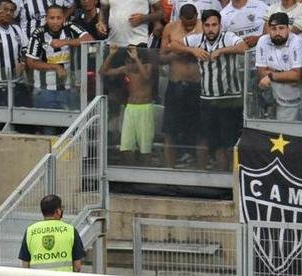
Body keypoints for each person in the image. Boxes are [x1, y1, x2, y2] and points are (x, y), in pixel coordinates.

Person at [183, 8, 247, 171]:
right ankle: (221, 179)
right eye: (207, 25)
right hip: (208, 100)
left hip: (230, 99)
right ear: (202, 26)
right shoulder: (197, 40)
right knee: (216, 144)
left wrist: (221, 50)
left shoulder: (228, 37)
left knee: (231, 144)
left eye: (214, 25)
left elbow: (243, 47)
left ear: (220, 25)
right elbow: (172, 45)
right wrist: (192, 50)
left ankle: (234, 183)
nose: (211, 29)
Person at [26, 4, 92, 109]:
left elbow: (89, 39)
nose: (55, 21)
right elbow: (31, 62)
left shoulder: (70, 27)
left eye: (59, 18)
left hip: (69, 88)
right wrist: (55, 67)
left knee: (72, 123)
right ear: (46, 18)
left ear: (63, 18)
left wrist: (65, 41)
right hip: (44, 90)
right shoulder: (38, 33)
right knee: (48, 124)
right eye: (52, 18)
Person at [160, 3, 202, 167]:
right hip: (176, 83)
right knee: (169, 130)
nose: (190, 27)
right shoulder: (170, 28)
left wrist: (183, 49)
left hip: (197, 84)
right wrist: (181, 52)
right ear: (180, 18)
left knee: (199, 130)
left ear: (197, 16)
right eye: (186, 24)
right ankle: (170, 169)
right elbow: (162, 56)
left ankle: (202, 169)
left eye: (192, 23)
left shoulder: (204, 27)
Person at [101, 44, 156, 161]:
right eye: (128, 61)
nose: (131, 64)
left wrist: (136, 58)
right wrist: (111, 54)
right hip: (130, 108)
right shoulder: (126, 69)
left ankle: (145, 172)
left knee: (145, 146)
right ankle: (131, 168)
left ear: (140, 59)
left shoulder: (148, 67)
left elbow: (146, 77)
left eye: (133, 61)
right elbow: (103, 72)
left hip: (145, 108)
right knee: (126, 145)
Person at [256, 12, 302, 122]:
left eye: (281, 28)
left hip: (301, 97)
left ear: (289, 29)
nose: (277, 32)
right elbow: (261, 73)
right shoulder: (263, 41)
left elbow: (296, 75)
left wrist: (270, 75)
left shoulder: (297, 41)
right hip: (276, 98)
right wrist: (286, 73)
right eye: (273, 29)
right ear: (268, 29)